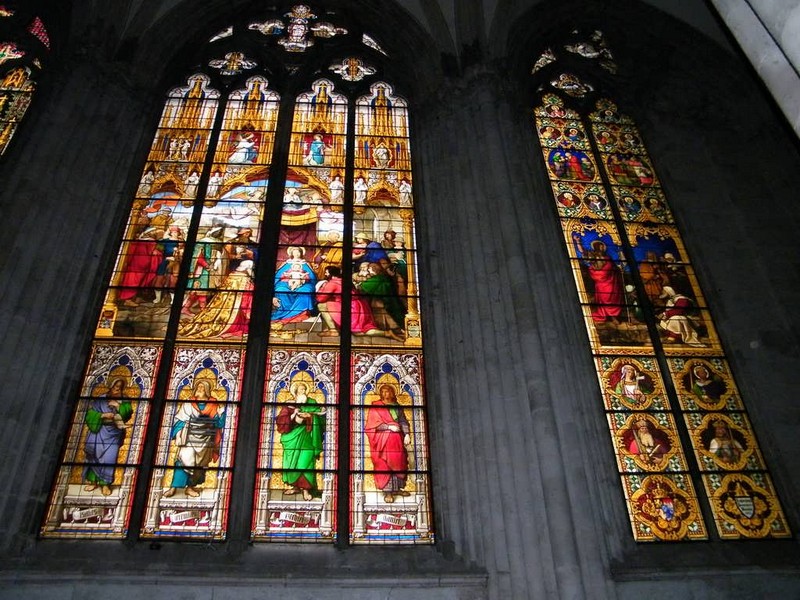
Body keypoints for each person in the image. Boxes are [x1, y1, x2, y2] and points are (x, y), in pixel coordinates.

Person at [163, 379, 225, 498]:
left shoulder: (213, 404)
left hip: (206, 438)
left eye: (202, 387)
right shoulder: (188, 404)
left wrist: (221, 414)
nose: (200, 389)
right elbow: (179, 420)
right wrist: (179, 433)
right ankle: (173, 487)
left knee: (199, 465)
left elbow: (219, 423)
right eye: (198, 387)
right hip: (189, 437)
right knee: (182, 460)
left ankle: (190, 487)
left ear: (207, 390)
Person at [177, 259, 254, 338]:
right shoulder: (245, 279)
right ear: (248, 268)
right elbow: (246, 299)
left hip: (223, 305)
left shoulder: (232, 275)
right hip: (235, 312)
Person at [83, 377, 133, 496]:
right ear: (111, 386)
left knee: (110, 458)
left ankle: (105, 484)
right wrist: (103, 415)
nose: (117, 389)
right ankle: (93, 482)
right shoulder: (101, 399)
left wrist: (118, 405)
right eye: (116, 387)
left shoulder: (124, 400)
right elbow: (90, 414)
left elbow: (128, 413)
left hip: (114, 433)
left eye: (120, 388)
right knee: (94, 456)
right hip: (99, 431)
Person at [275, 381, 325, 501]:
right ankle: (295, 487)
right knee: (291, 463)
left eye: (304, 389)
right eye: (301, 390)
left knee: (306, 461)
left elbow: (322, 416)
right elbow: (281, 422)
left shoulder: (311, 403)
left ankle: (306, 490)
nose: (303, 392)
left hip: (307, 437)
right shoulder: (289, 405)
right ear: (296, 392)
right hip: (291, 438)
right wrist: (294, 415)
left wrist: (311, 416)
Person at [365, 384, 411, 503]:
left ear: (393, 393)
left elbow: (403, 421)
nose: (386, 393)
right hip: (382, 441)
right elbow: (371, 425)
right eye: (384, 391)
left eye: (389, 391)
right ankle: (388, 492)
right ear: (380, 393)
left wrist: (406, 434)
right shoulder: (376, 406)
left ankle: (397, 488)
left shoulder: (397, 406)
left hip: (397, 440)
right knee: (385, 465)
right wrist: (388, 427)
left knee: (399, 462)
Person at [573, 234, 624, 324]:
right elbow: (583, 252)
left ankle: (614, 316)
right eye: (599, 246)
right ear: (596, 247)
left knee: (613, 298)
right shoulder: (593, 254)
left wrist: (618, 268)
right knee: (604, 298)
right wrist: (578, 242)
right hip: (600, 281)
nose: (601, 247)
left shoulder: (608, 258)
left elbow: (613, 267)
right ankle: (609, 316)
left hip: (610, 281)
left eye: (601, 246)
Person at [271, 246, 317, 322]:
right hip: (286, 282)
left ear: (301, 253)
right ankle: (283, 311)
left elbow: (312, 277)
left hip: (302, 282)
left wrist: (304, 279)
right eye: (295, 252)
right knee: (280, 289)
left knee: (306, 290)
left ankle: (302, 312)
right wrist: (287, 277)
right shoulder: (286, 263)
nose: (296, 254)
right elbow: (278, 276)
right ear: (291, 253)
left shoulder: (305, 264)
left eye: (298, 252)